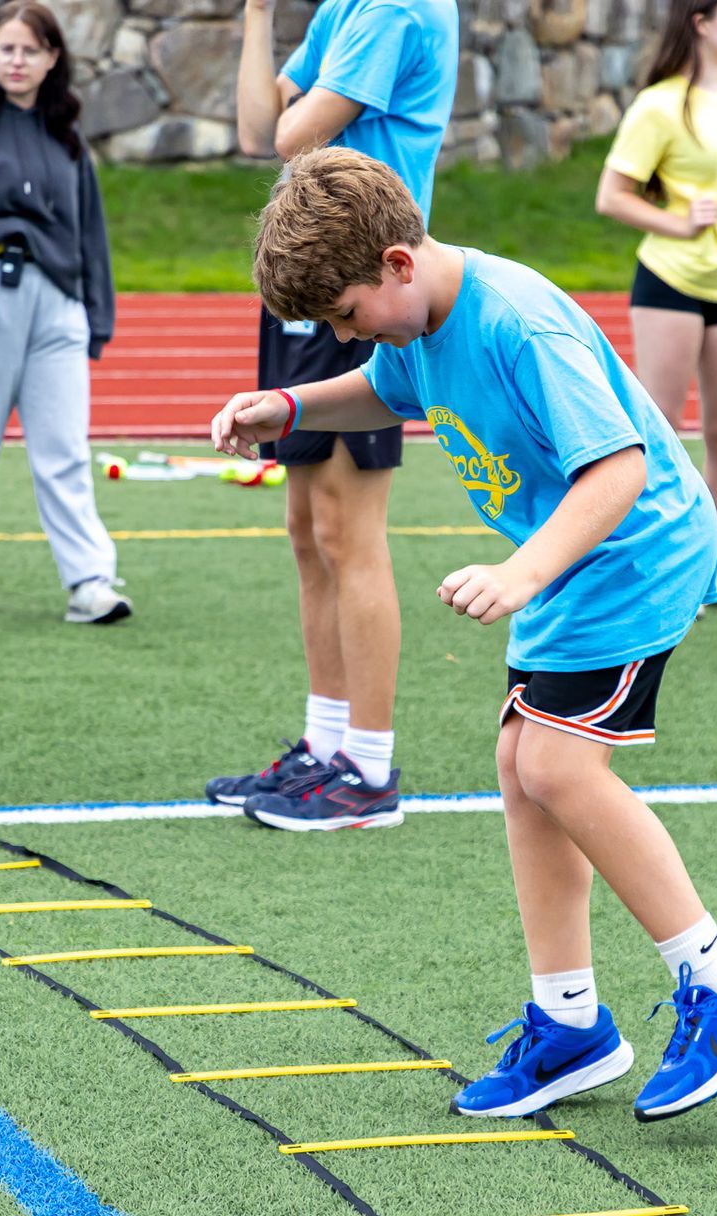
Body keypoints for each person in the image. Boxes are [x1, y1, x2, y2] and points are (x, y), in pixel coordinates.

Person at [210, 148, 717, 1120]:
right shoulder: (421, 317)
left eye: (344, 315)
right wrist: (294, 407)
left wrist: (521, 571)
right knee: (522, 765)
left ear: (398, 263)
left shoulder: (517, 320)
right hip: (571, 566)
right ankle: (570, 1021)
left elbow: (617, 470)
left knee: (562, 769)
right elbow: (392, 386)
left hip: (631, 554)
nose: (342, 334)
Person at [209, 0, 458, 830]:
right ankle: (326, 747)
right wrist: (256, 15)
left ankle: (371, 767)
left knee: (350, 534)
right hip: (313, 282)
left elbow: (291, 137)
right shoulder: (345, 8)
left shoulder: (394, 8)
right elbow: (257, 126)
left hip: (366, 290)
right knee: (308, 529)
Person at [0, 2, 126, 625]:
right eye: (6, 48)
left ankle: (90, 579)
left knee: (64, 447)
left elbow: (88, 225)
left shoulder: (66, 132)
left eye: (31, 50)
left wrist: (95, 311)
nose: (17, 60)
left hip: (57, 303)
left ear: (52, 58)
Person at [596, 0, 717, 611]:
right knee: (658, 432)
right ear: (701, 23)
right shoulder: (659, 104)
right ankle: (660, 563)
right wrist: (676, 222)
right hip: (670, 283)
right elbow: (611, 196)